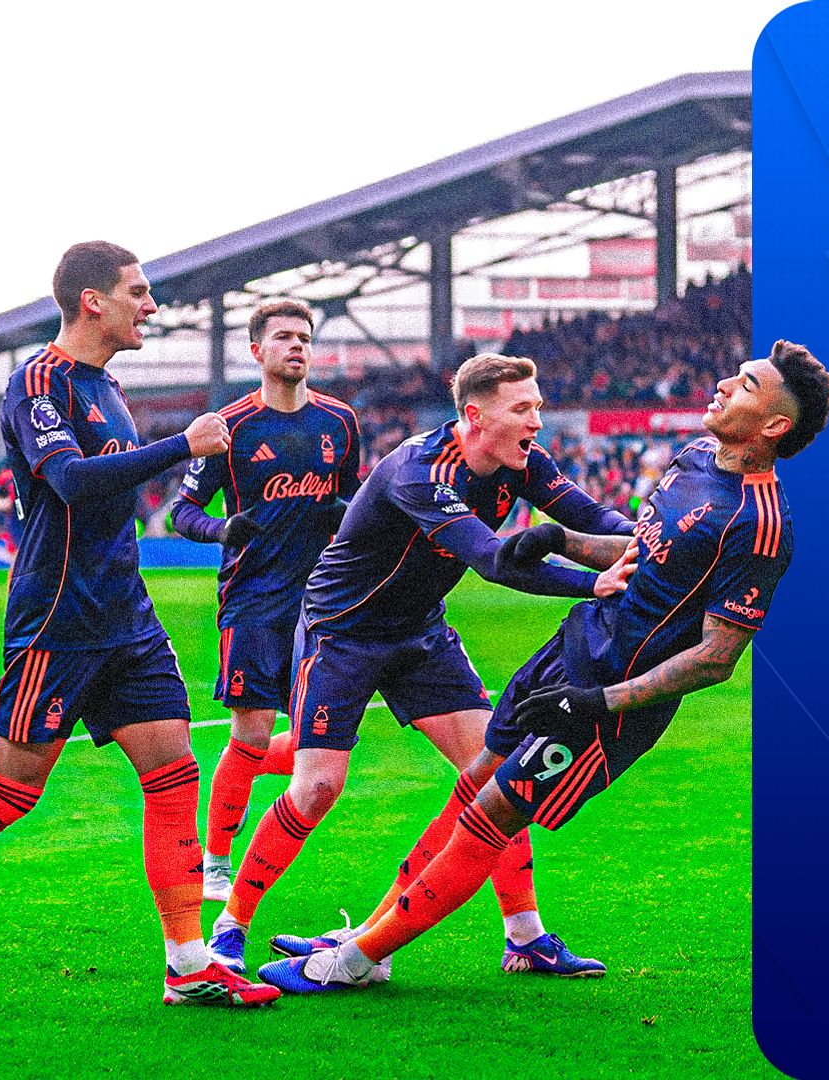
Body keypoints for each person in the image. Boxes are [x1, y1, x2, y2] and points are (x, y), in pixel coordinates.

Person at [258, 342, 829, 993]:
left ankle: (354, 962)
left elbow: (715, 658)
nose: (726, 383)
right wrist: (561, 538)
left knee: (490, 818)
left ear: (774, 425)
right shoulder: (697, 456)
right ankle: (373, 937)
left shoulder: (762, 523)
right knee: (474, 784)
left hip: (608, 704)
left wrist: (600, 702)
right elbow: (640, 552)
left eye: (748, 384)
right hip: (571, 649)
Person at [0, 241, 278, 1008]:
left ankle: (187, 964)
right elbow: (71, 481)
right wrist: (180, 446)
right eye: (138, 292)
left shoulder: (108, 385)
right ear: (94, 300)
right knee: (12, 788)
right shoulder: (38, 382)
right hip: (57, 616)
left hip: (126, 614)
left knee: (175, 772)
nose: (150, 305)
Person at [207, 352, 635, 977]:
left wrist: (655, 542)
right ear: (474, 415)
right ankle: (231, 926)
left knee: (496, 775)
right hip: (342, 633)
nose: (537, 422)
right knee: (318, 787)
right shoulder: (420, 471)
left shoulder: (524, 463)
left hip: (420, 633)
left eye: (538, 407)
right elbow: (493, 560)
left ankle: (523, 936)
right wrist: (590, 583)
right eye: (523, 409)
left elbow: (596, 519)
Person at [169, 298, 361, 904]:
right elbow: (181, 512)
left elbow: (354, 501)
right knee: (251, 734)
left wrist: (346, 518)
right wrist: (223, 530)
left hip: (324, 602)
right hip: (253, 601)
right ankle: (216, 862)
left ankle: (260, 790)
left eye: (304, 337)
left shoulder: (340, 423)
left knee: (317, 741)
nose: (297, 345)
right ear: (257, 351)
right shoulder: (230, 428)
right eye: (283, 337)